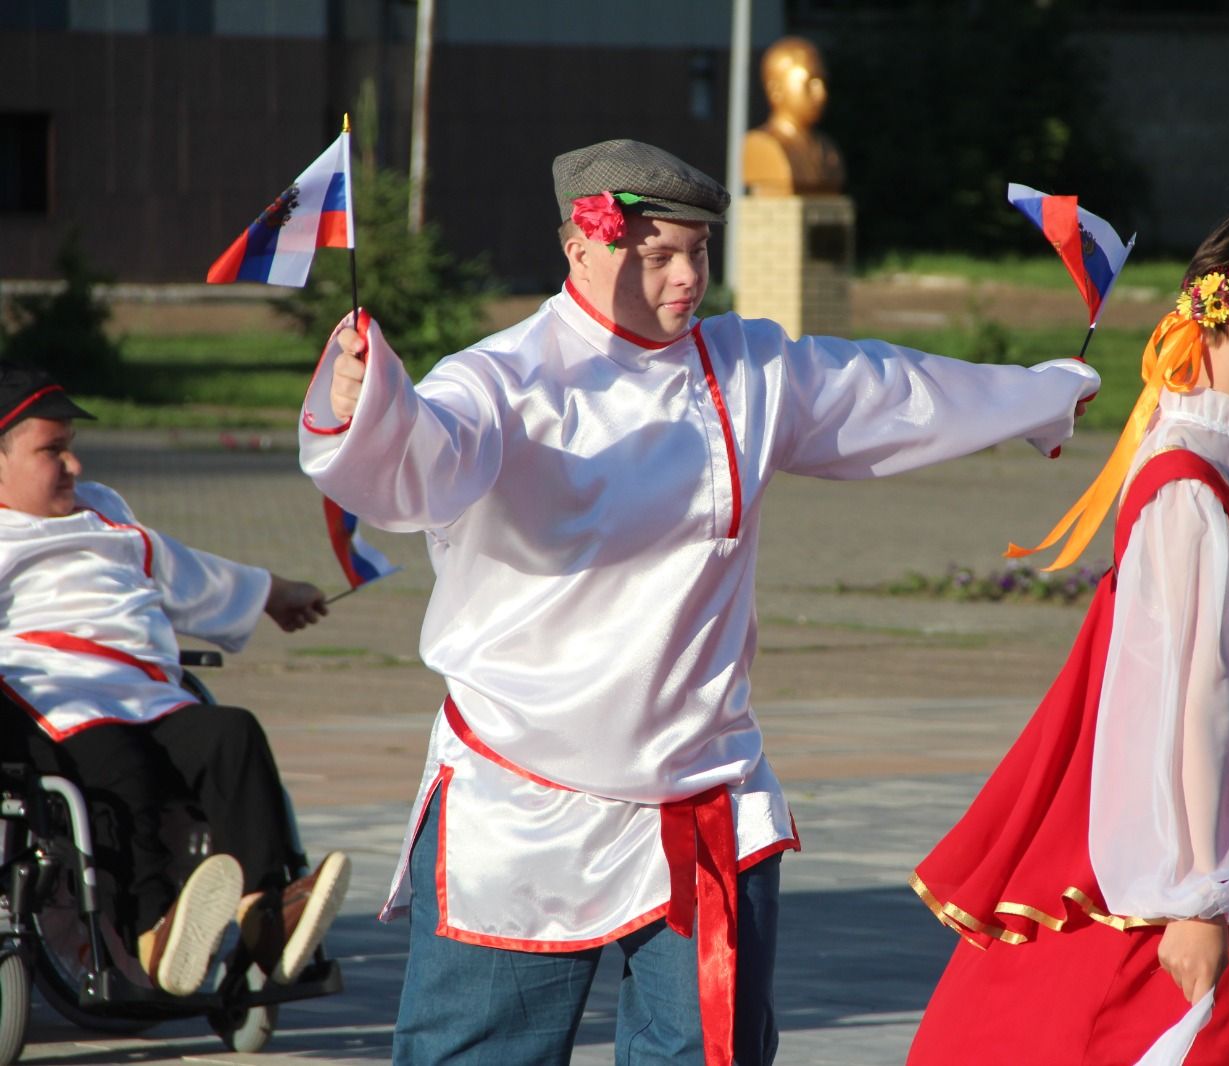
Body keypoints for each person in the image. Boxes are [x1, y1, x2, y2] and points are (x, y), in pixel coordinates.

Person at [298, 138, 1102, 1065]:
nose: (686, 279)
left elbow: (893, 393)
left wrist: (1043, 394)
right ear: (582, 248)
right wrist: (366, 406)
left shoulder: (748, 367)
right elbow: (419, 467)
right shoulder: (499, 381)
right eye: (657, 256)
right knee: (478, 1055)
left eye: (698, 252)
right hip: (520, 796)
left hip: (701, 792)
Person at [905, 182, 1229, 1065]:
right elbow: (1191, 700)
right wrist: (1195, 897)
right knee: (1149, 1025)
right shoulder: (1188, 485)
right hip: (1195, 818)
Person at [0, 366, 352, 997]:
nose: (74, 463)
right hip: (59, 696)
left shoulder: (104, 513)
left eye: (71, 445)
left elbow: (185, 572)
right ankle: (150, 928)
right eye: (52, 450)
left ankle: (266, 910)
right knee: (122, 768)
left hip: (150, 691)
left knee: (231, 735)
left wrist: (273, 593)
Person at [742, 35, 846, 196]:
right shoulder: (762, 146)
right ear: (776, 90)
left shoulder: (828, 151)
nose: (821, 93)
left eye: (822, 81)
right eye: (809, 82)